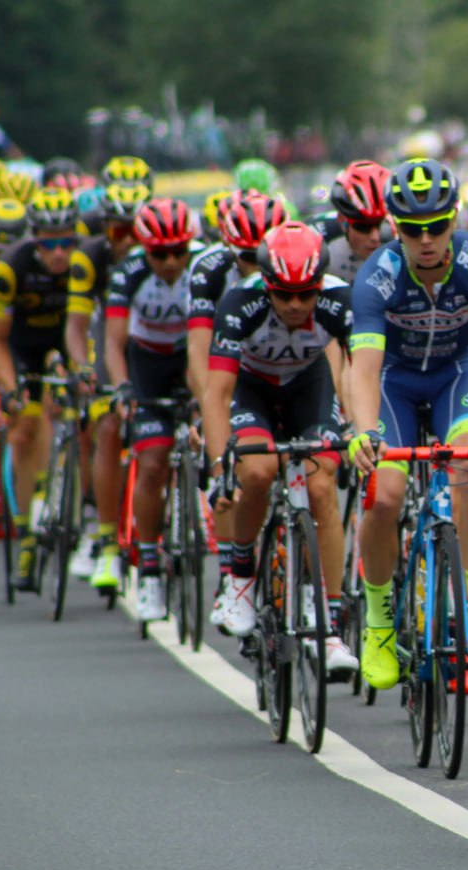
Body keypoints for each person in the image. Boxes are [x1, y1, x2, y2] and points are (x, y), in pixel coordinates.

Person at [347, 157, 468, 690]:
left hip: (457, 375)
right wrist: (364, 431)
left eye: (437, 226)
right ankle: (378, 626)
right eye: (412, 229)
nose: (425, 239)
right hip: (393, 381)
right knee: (386, 493)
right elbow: (363, 368)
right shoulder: (377, 274)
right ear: (394, 226)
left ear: (454, 218)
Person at [203, 222, 356, 675]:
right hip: (251, 389)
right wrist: (220, 470)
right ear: (266, 283)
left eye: (305, 294)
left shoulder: (341, 300)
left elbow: (360, 369)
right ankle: (240, 580)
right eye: (284, 294)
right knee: (257, 471)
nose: (295, 305)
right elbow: (216, 394)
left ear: (320, 285)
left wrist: (358, 428)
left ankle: (328, 625)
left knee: (322, 485)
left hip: (308, 386)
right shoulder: (239, 303)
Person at [188, 191, 287, 621]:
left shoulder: (300, 257)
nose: (259, 267)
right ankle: (233, 572)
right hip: (233, 373)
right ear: (230, 250)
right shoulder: (210, 271)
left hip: (289, 373)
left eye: (266, 255)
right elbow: (199, 351)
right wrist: (205, 413)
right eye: (248, 257)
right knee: (233, 477)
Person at [103, 198, 199, 622]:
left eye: (179, 251)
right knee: (153, 461)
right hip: (147, 364)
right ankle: (149, 567)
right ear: (144, 249)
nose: (172, 262)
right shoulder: (129, 273)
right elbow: (113, 342)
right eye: (160, 254)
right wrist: (123, 386)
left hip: (191, 357)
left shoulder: (203, 268)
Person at [0, 188, 80, 590]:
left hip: (70, 340)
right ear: (34, 238)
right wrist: (9, 389)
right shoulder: (11, 267)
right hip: (21, 347)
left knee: (86, 420)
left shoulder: (85, 262)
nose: (59, 252)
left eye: (67, 242)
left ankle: (81, 515)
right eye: (48, 244)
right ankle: (25, 533)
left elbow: (92, 327)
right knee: (24, 428)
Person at [65, 178, 152, 592]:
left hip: (151, 340)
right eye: (119, 231)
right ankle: (105, 541)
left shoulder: (164, 255)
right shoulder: (89, 257)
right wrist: (83, 366)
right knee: (108, 426)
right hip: (108, 338)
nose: (128, 241)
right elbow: (77, 325)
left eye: (136, 231)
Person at [326, 160, 391, 283]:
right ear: (342, 221)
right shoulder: (323, 244)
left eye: (382, 224)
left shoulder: (408, 239)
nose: (375, 237)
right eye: (363, 227)